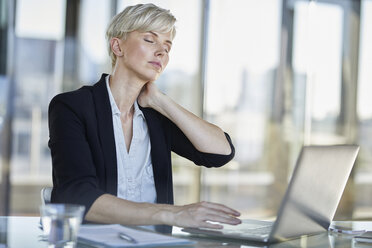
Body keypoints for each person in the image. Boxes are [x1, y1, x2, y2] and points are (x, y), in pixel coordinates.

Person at [48, 3, 241, 233]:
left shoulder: (156, 115)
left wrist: (161, 100)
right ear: (117, 46)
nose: (162, 51)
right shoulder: (72, 107)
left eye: (168, 47)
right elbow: (79, 196)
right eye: (150, 40)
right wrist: (173, 213)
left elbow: (221, 153)